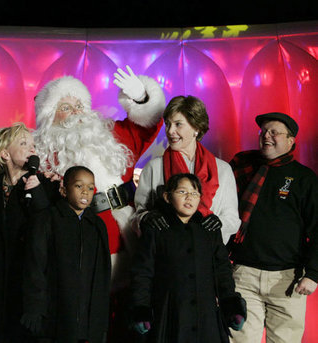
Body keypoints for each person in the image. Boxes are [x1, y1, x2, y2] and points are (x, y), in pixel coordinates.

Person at [33, 66, 166, 286]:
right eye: (66, 107)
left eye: (79, 105)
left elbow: (147, 126)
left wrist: (142, 98)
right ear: (49, 117)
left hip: (131, 235)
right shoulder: (43, 153)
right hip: (85, 243)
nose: (76, 112)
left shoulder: (111, 135)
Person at [228, 112, 318, 343]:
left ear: (291, 141)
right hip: (244, 275)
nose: (267, 136)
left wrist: (314, 274)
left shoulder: (305, 178)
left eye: (274, 132)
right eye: (263, 132)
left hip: (287, 279)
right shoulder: (241, 167)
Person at [130, 173, 246, 342]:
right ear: (167, 197)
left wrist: (231, 306)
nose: (189, 198)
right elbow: (142, 273)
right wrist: (141, 310)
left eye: (194, 193)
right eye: (182, 192)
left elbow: (223, 272)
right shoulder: (156, 230)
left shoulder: (209, 231)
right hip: (170, 314)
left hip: (206, 317)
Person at [0, 122, 60, 342]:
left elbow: (50, 228)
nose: (32, 149)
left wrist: (40, 191)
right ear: (4, 155)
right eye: (23, 143)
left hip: (26, 283)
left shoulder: (45, 185)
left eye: (33, 144)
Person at [133, 95, 241, 245]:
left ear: (196, 127)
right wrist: (146, 218)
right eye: (168, 124)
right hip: (166, 255)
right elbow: (137, 214)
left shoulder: (223, 170)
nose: (170, 131)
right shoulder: (154, 167)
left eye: (178, 124)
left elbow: (232, 219)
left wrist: (219, 224)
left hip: (208, 255)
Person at [21, 166, 111, 343]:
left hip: (87, 321)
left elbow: (102, 274)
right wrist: (34, 308)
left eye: (90, 187)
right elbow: (35, 266)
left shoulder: (96, 225)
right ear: (63, 190)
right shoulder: (48, 219)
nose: (85, 191)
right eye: (78, 186)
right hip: (53, 317)